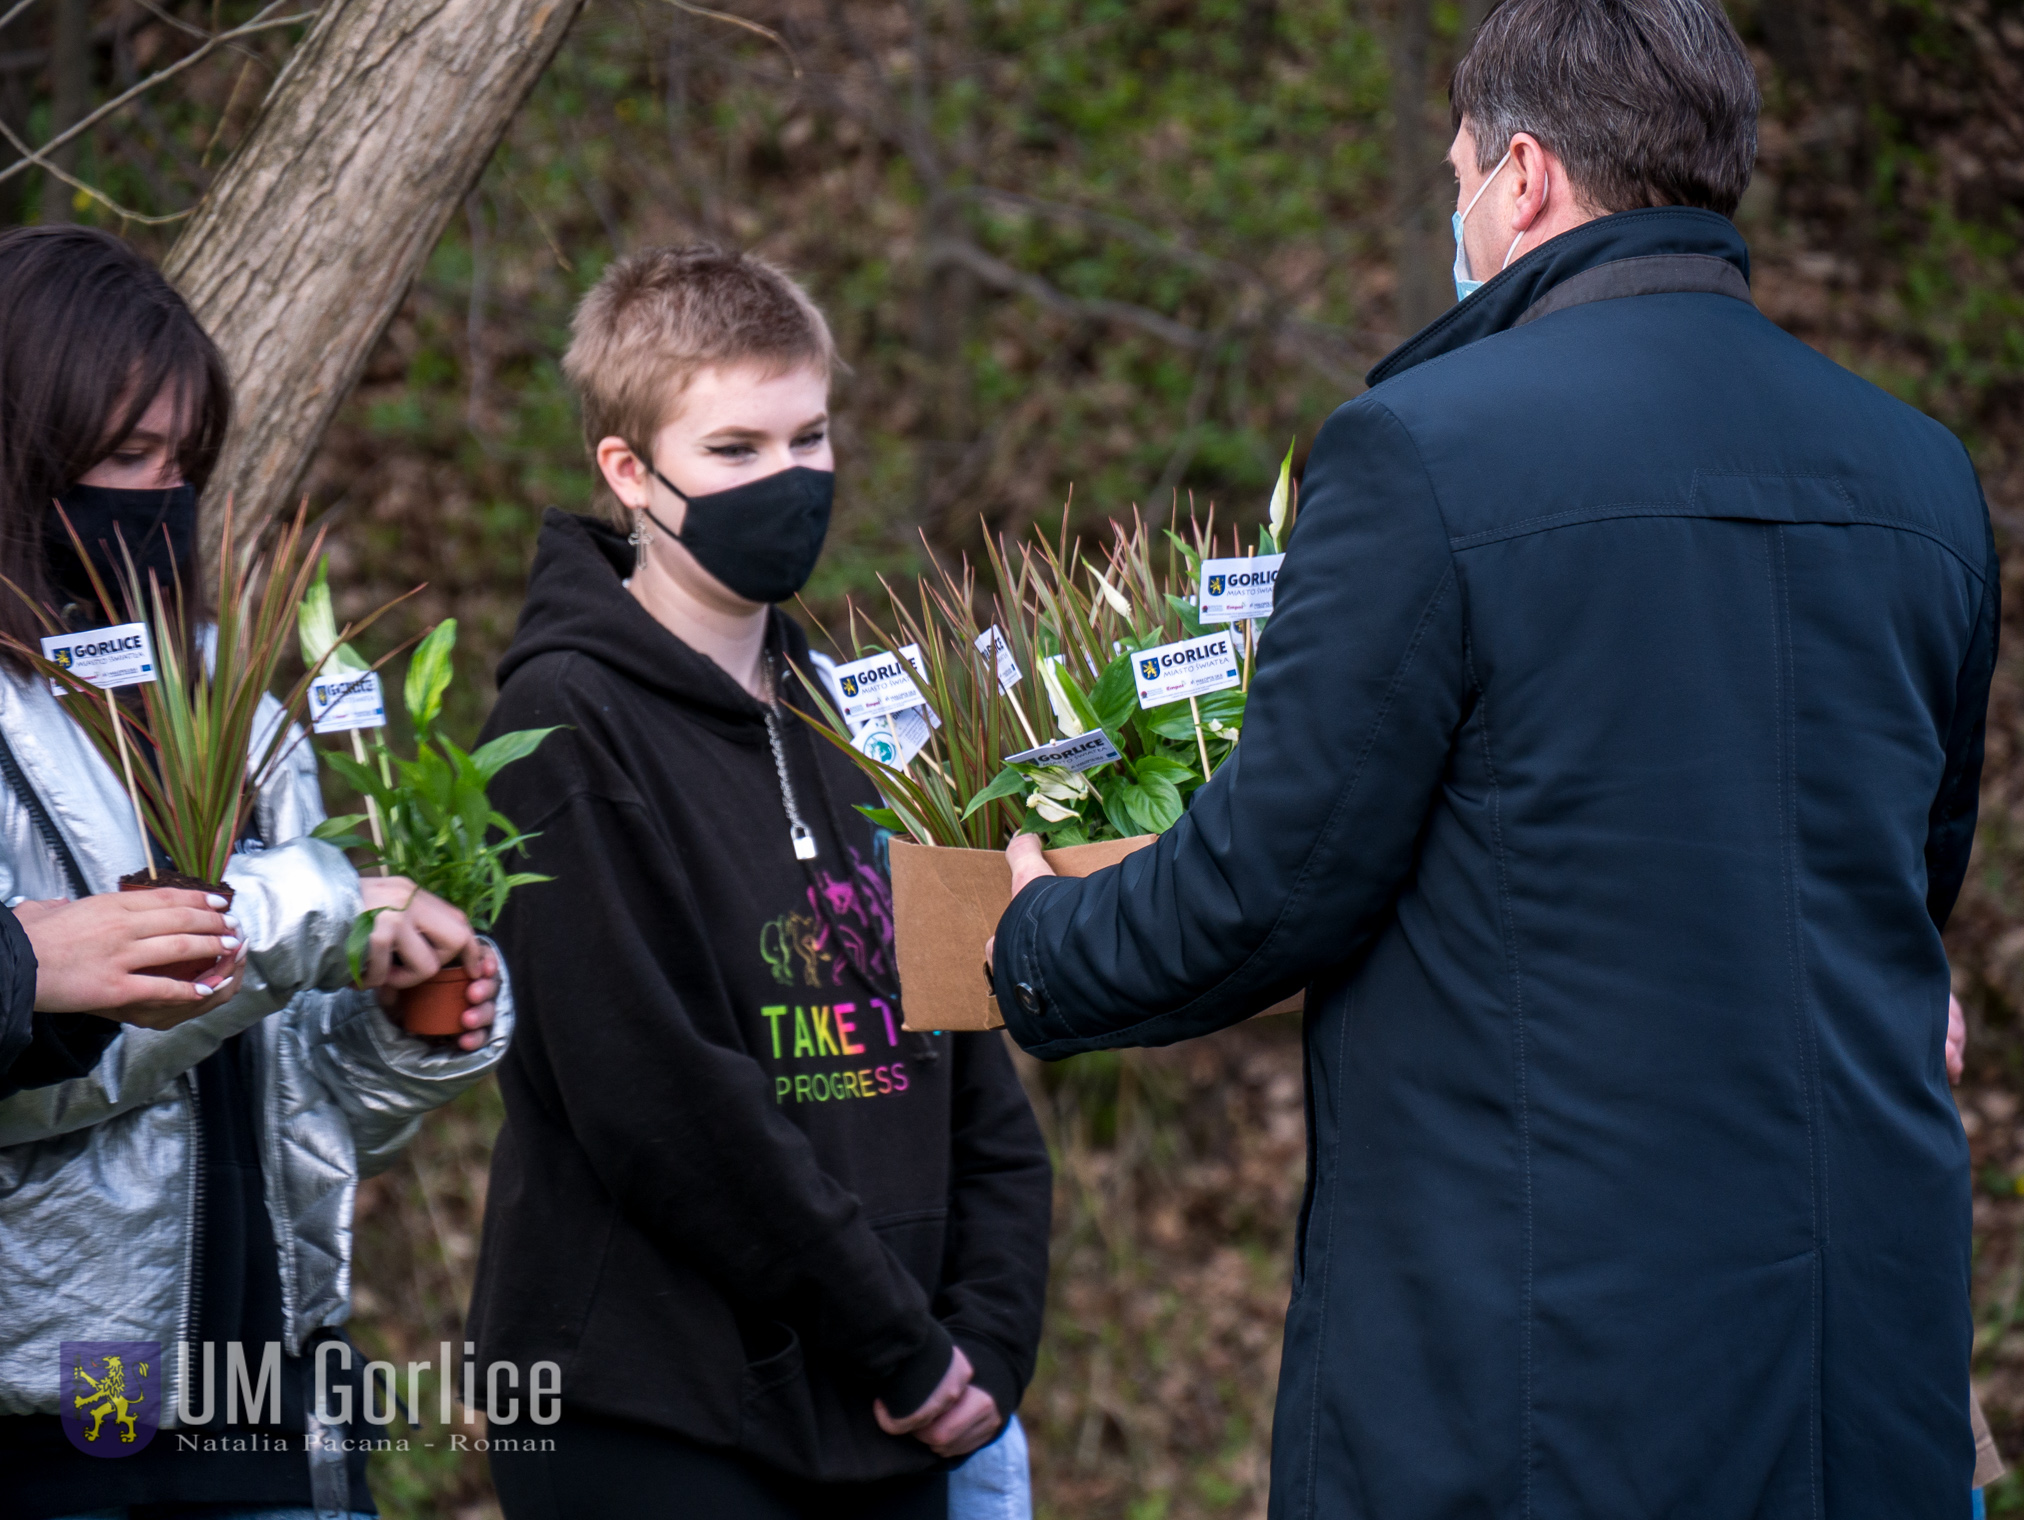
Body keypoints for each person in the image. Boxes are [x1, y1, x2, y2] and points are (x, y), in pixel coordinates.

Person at [989, 1, 1995, 1513]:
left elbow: (1277, 879)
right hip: (1862, 1365)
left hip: (1547, 1374)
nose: (1452, 210)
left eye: (1456, 172)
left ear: (1522, 177)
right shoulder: (1924, 474)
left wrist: (1038, 945)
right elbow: (1911, 888)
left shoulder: (1423, 451)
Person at [468, 246, 1052, 1519]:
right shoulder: (563, 725)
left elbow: (970, 1059)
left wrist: (988, 1340)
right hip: (660, 1412)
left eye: (810, 436)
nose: (786, 481)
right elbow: (657, 1099)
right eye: (734, 450)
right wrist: (899, 1339)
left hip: (899, 1416)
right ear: (630, 471)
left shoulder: (858, 724)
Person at [0, 225, 512, 1520]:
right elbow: (38, 1085)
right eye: (125, 458)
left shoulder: (234, 694)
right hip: (70, 1416)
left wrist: (402, 1033)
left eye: (183, 462)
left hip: (277, 1383)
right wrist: (316, 904)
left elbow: (284, 1093)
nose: (161, 497)